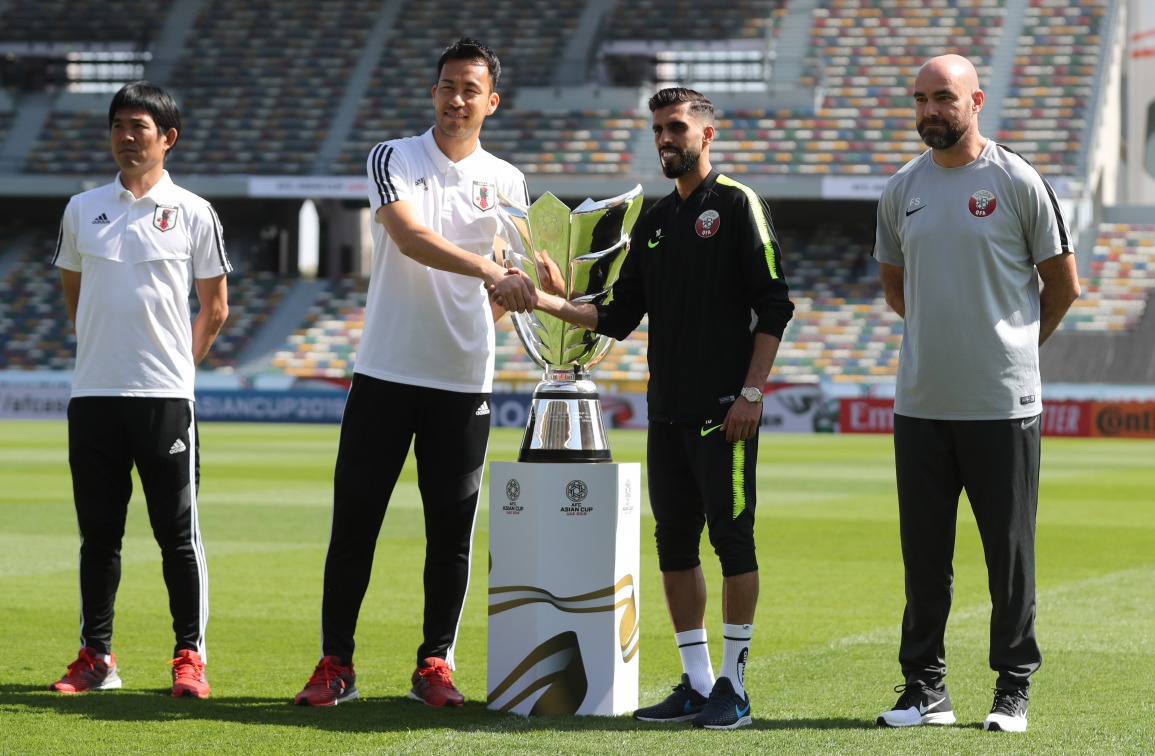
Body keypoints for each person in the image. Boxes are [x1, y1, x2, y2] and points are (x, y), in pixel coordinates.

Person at [500, 87, 794, 730]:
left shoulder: (738, 204)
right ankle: (695, 682)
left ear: (707, 135)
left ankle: (733, 685)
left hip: (725, 411)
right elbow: (615, 316)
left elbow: (776, 304)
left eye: (677, 128)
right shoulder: (654, 223)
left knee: (733, 541)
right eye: (659, 129)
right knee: (674, 546)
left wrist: (750, 393)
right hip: (667, 413)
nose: (666, 138)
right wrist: (549, 301)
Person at [293, 37, 534, 708]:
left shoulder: (509, 182)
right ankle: (334, 664)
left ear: (491, 101)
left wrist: (532, 286)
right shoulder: (393, 156)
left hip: (464, 381)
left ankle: (435, 664)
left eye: (470, 89)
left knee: (451, 535)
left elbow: (515, 281)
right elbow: (409, 237)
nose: (457, 99)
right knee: (356, 526)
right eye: (447, 86)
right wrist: (492, 270)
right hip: (386, 372)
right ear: (434, 93)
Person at [872, 54, 1080, 733]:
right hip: (921, 404)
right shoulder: (901, 188)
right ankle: (924, 691)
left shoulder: (1018, 180)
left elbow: (1063, 285)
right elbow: (897, 290)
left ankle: (1011, 688)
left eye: (944, 98)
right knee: (924, 559)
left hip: (1002, 406)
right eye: (921, 99)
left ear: (976, 100)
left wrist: (1016, 347)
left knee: (1009, 559)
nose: (930, 111)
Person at [49, 81, 231, 698]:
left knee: (178, 538)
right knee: (98, 536)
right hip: (94, 396)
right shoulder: (81, 208)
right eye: (119, 126)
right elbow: (74, 294)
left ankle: (189, 657)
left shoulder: (195, 211)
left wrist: (179, 369)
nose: (127, 137)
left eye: (140, 128)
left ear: (167, 139)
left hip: (164, 400)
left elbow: (215, 307)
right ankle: (96, 657)